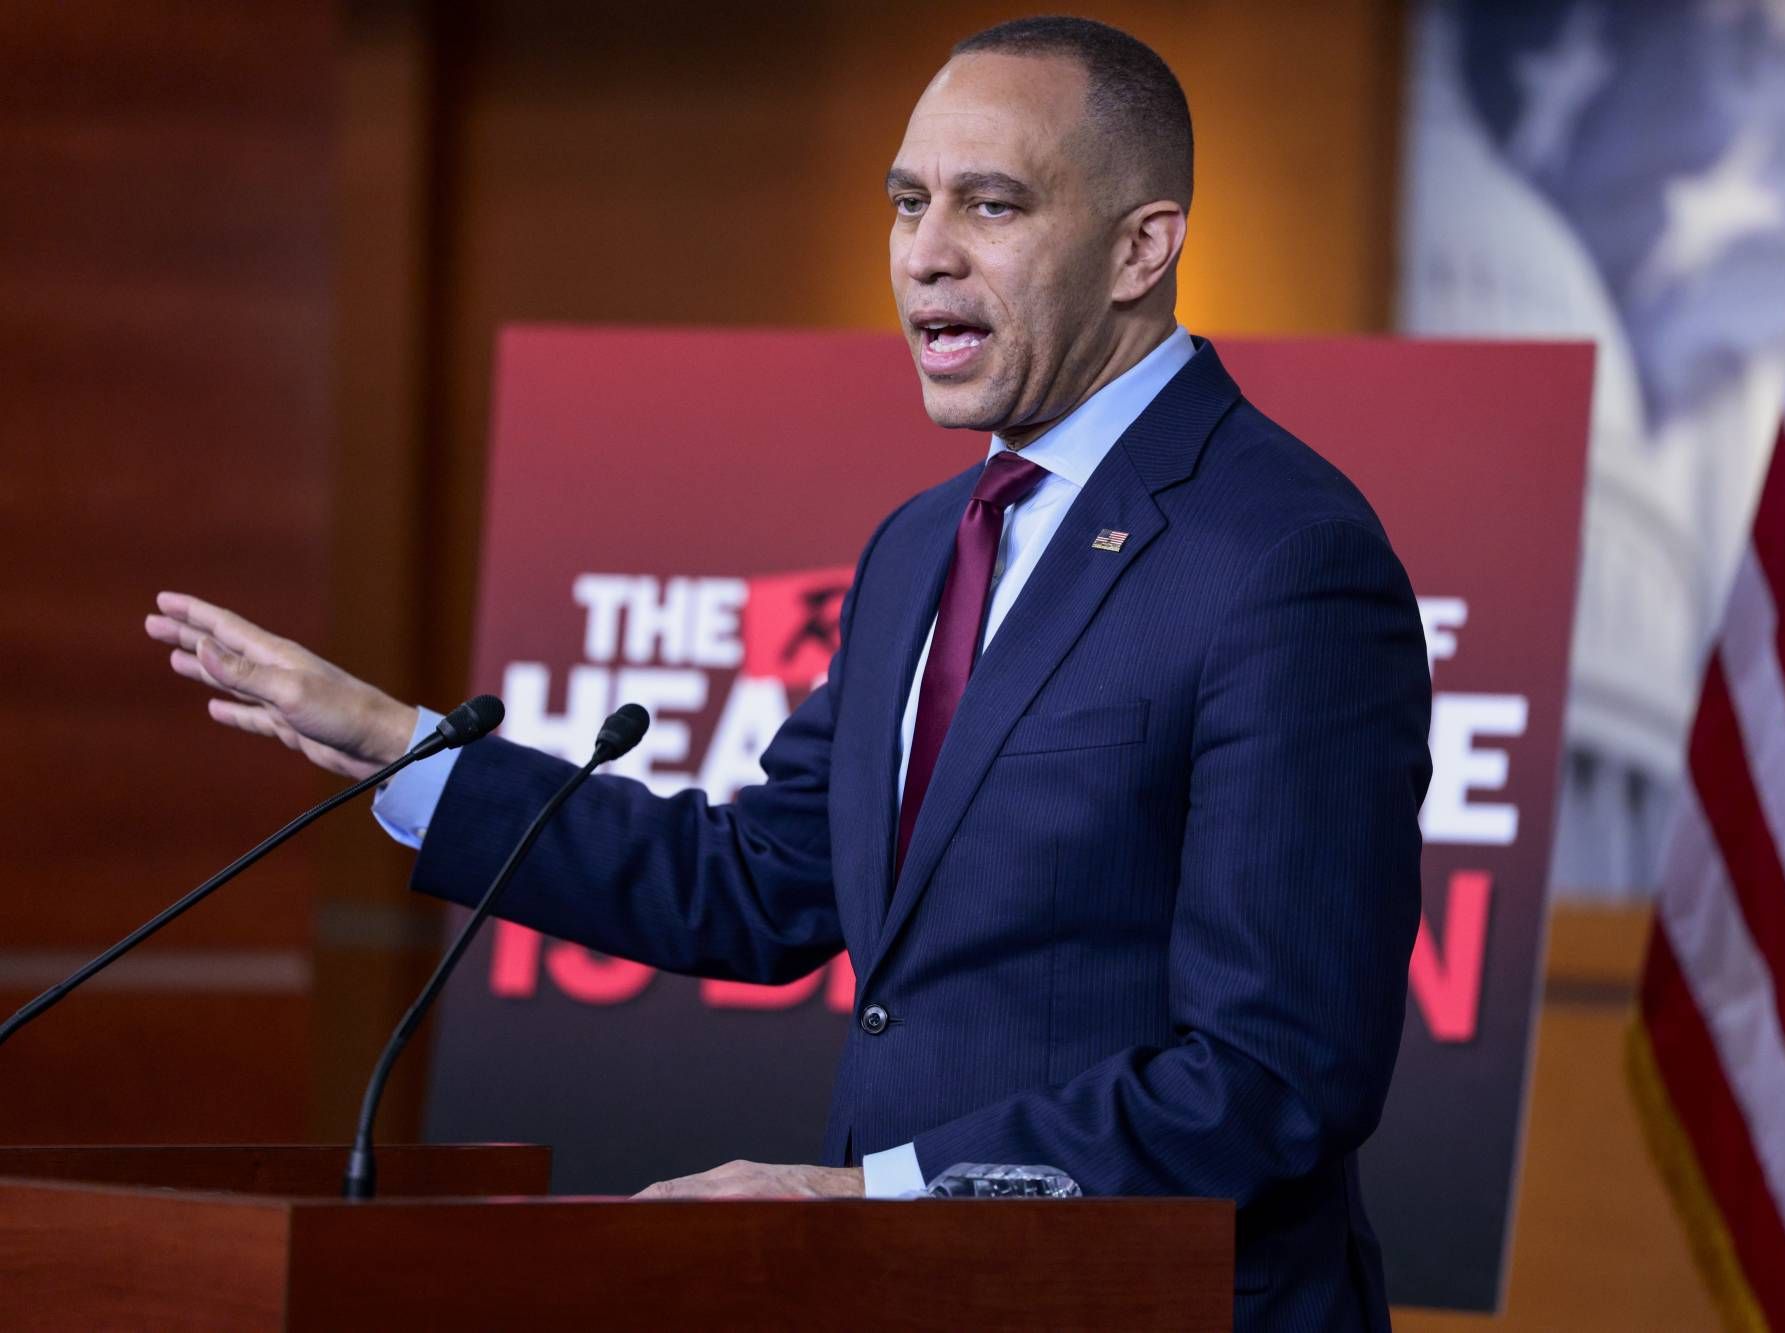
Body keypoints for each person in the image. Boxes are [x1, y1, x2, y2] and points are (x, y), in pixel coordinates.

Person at [146, 17, 1430, 1328]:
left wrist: (877, 1195)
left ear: (1141, 248)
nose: (926, 253)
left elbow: (1278, 1071)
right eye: (909, 202)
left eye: (992, 206)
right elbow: (759, 885)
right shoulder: (924, 545)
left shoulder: (1283, 556)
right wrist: (406, 748)